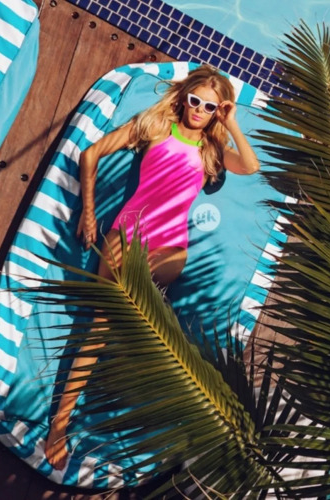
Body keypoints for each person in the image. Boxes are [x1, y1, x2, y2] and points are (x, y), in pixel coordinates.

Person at [44, 65, 260, 470]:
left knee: (152, 333)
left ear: (217, 111)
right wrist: (89, 213)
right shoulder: (156, 127)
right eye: (195, 101)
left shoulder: (210, 150)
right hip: (126, 237)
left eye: (209, 107)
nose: (199, 110)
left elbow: (250, 166)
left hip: (171, 248)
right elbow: (91, 154)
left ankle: (125, 418)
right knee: (101, 327)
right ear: (184, 97)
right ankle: (61, 424)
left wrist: (231, 123)